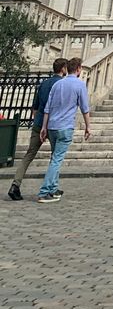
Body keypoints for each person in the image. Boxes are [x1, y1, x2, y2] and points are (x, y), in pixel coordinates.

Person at [7, 58, 67, 202]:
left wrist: (38, 124)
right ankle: (51, 188)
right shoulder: (62, 84)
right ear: (64, 68)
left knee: (29, 155)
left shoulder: (44, 83)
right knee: (55, 158)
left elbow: (35, 107)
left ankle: (15, 184)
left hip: (39, 123)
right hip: (53, 125)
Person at [36, 57, 92, 204]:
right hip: (65, 127)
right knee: (56, 159)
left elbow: (47, 108)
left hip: (52, 126)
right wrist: (88, 126)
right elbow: (85, 108)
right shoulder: (79, 85)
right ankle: (44, 192)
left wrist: (43, 127)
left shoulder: (57, 84)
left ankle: (53, 189)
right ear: (79, 69)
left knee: (55, 157)